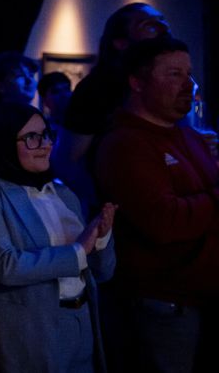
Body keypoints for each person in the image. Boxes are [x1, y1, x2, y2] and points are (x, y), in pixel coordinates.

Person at [94, 37, 218, 373]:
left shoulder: (189, 137)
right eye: (174, 74)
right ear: (137, 82)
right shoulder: (125, 144)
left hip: (200, 295)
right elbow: (164, 222)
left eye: (189, 74)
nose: (188, 85)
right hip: (165, 302)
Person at [0, 103, 116, 373]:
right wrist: (79, 250)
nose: (45, 144)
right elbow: (4, 265)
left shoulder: (62, 192)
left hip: (80, 324)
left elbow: (101, 272)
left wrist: (101, 237)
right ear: (4, 143)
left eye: (46, 134)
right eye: (32, 138)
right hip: (26, 332)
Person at [52, 3, 170, 212]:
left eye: (162, 20)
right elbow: (67, 159)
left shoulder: (167, 82)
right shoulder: (98, 88)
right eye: (148, 25)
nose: (163, 28)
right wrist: (105, 203)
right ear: (120, 42)